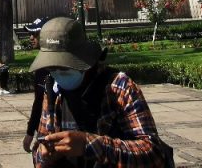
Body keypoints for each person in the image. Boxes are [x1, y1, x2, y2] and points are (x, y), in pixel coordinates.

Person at [29, 17, 174, 167]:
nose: (58, 72)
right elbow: (39, 149)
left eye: (64, 66)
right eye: (52, 67)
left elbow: (153, 154)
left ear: (83, 59)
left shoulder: (119, 87)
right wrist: (44, 155)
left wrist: (89, 144)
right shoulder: (53, 90)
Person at [21, 20, 49, 153]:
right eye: (30, 34)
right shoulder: (42, 63)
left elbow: (39, 101)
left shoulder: (46, 65)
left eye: (35, 33)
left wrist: (30, 132)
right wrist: (31, 130)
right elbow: (39, 101)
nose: (31, 37)